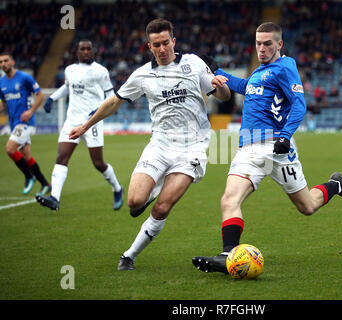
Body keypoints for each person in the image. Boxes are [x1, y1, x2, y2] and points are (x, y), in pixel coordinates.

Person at [192, 22, 342, 274]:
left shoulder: (285, 66)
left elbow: (299, 104)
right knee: (229, 198)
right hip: (248, 148)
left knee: (307, 206)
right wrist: (217, 70)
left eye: (267, 44)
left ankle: (336, 185)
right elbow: (244, 86)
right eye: (258, 44)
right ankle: (228, 254)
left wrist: (285, 136)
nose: (261, 49)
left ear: (279, 44)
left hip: (276, 147)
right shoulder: (260, 72)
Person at [68, 19, 231, 271]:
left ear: (173, 41)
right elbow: (114, 102)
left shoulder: (193, 63)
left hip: (192, 147)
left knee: (163, 205)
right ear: (149, 46)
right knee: (134, 201)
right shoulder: (143, 74)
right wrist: (85, 126)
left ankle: (129, 255)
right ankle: (155, 188)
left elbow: (222, 96)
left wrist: (220, 88)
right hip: (160, 144)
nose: (163, 48)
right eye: (157, 44)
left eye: (166, 42)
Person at [35, 40, 124, 211]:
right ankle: (55, 198)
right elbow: (67, 87)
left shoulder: (100, 71)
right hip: (72, 120)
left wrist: (99, 110)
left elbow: (111, 95)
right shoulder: (70, 70)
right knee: (62, 157)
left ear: (93, 51)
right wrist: (52, 98)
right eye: (82, 49)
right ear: (77, 52)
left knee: (98, 163)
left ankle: (117, 188)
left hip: (92, 122)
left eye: (88, 48)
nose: (85, 51)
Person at [0, 53, 51, 195]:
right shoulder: (1, 82)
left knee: (10, 149)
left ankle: (29, 177)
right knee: (26, 156)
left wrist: (31, 111)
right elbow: (3, 103)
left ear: (12, 62)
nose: (3, 63)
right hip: (13, 123)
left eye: (6, 60)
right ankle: (45, 184)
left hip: (25, 123)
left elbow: (40, 94)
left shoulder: (24, 78)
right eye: (1, 62)